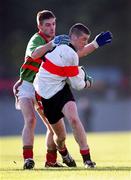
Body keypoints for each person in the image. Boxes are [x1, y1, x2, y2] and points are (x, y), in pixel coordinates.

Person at [33, 23, 112, 168]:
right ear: (73, 38)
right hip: (44, 94)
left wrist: (95, 43)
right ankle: (64, 154)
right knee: (60, 137)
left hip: (61, 88)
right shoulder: (67, 52)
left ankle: (87, 159)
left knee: (75, 120)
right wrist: (87, 82)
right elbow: (78, 85)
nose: (85, 43)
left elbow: (78, 53)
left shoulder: (65, 46)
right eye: (84, 40)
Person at [13, 10, 76, 169]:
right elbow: (34, 55)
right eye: (47, 25)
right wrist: (51, 44)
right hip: (27, 86)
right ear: (39, 26)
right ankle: (28, 159)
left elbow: (74, 55)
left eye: (53, 24)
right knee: (30, 120)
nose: (52, 27)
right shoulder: (37, 39)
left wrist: (93, 45)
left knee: (54, 128)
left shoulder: (58, 41)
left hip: (44, 88)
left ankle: (52, 160)